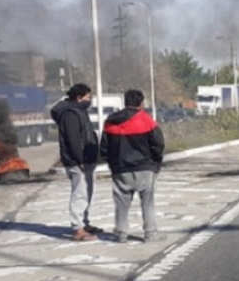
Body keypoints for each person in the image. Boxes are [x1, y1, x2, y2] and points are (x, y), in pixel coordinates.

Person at [99, 89, 166, 244]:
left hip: (120, 169)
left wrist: (112, 163)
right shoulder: (145, 119)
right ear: (141, 104)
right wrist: (156, 162)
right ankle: (150, 234)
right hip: (144, 167)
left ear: (125, 102)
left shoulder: (110, 121)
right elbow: (158, 143)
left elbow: (104, 148)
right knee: (147, 202)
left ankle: (121, 234)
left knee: (121, 203)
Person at [51, 83, 101, 242]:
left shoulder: (79, 111)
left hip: (86, 160)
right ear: (79, 97)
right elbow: (73, 140)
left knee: (86, 193)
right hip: (77, 161)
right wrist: (80, 160)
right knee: (79, 194)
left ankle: (84, 222)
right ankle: (77, 228)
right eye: (88, 97)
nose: (90, 100)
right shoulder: (70, 114)